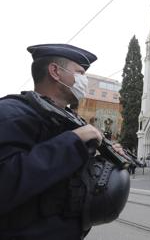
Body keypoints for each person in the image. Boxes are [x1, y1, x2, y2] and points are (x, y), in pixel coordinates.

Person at [0, 43, 125, 240]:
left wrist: (105, 159)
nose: (84, 80)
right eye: (80, 72)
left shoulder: (71, 122)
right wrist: (73, 142)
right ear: (55, 72)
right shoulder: (10, 113)